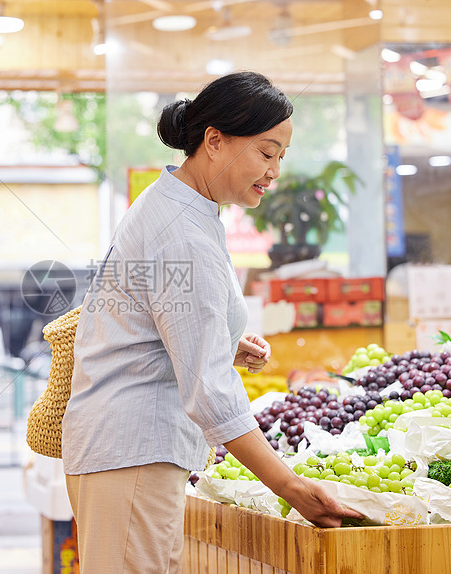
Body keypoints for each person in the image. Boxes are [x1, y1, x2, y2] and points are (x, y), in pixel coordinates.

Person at [61, 71, 362, 573]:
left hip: (125, 452)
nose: (275, 172)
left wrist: (219, 341)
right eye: (266, 153)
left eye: (281, 157)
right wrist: (288, 485)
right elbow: (209, 390)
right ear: (214, 141)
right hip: (134, 453)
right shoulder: (184, 231)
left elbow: (153, 322)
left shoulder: (177, 206)